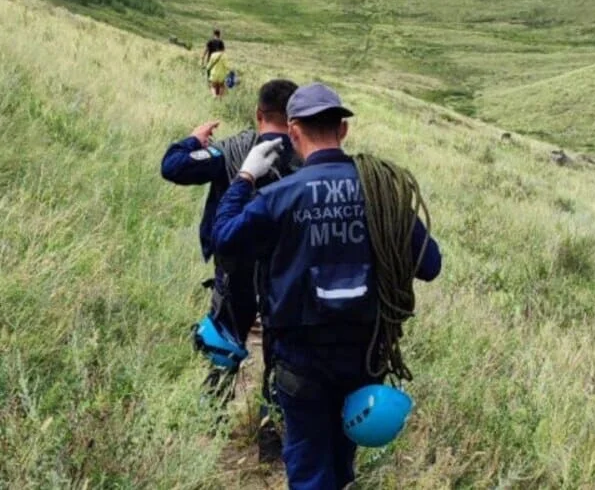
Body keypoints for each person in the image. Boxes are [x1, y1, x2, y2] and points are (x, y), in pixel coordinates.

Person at [213, 83, 442, 490]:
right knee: (341, 455)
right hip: (365, 356)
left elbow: (225, 238)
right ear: (343, 130)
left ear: (294, 133)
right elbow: (430, 264)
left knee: (308, 462)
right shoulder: (383, 191)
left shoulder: (280, 196)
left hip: (300, 359)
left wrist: (246, 175)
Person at [160, 79, 302, 460]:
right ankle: (271, 441)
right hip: (282, 278)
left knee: (222, 345)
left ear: (258, 114)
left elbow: (173, 168)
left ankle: (208, 426)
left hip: (234, 270)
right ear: (294, 120)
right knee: (281, 358)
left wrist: (193, 140)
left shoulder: (232, 149)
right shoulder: (306, 158)